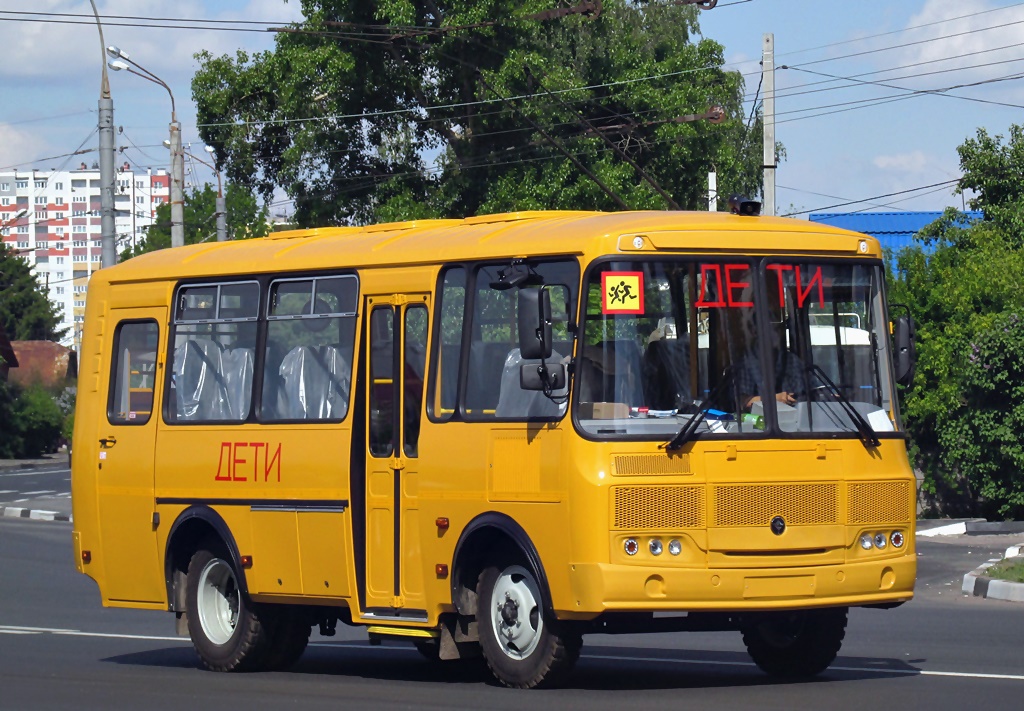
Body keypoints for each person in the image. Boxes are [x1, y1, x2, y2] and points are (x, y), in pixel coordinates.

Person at [736, 329, 808, 411]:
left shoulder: (792, 360)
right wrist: (774, 400)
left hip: (801, 417)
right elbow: (742, 402)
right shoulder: (746, 364)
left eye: (776, 328)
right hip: (762, 421)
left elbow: (816, 390)